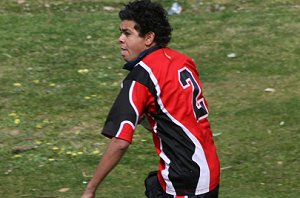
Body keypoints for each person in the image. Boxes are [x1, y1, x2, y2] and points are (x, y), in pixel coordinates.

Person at [81, 0, 220, 197]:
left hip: (184, 181)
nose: (120, 39)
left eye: (127, 33)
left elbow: (120, 142)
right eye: (121, 32)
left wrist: (90, 189)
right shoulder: (183, 61)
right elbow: (174, 114)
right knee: (153, 185)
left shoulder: (141, 78)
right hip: (208, 168)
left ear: (148, 38)